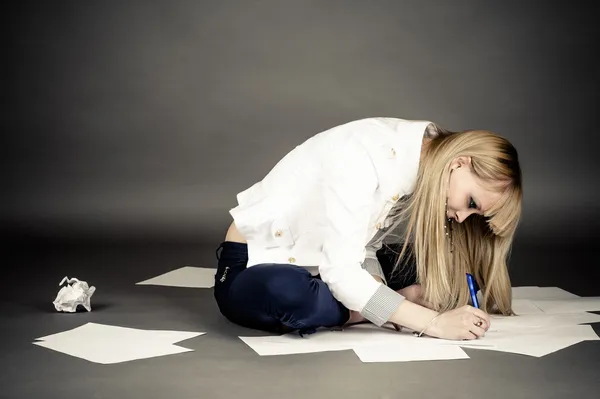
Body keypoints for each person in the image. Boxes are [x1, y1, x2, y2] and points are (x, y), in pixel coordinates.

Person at [213, 117, 522, 341]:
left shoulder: (419, 158)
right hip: (253, 265)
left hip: (325, 261)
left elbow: (366, 245)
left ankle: (375, 302)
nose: (462, 217)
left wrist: (378, 289)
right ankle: (362, 310)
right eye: (471, 202)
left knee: (429, 264)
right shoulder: (362, 156)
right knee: (286, 291)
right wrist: (432, 322)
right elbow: (343, 274)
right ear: (459, 163)